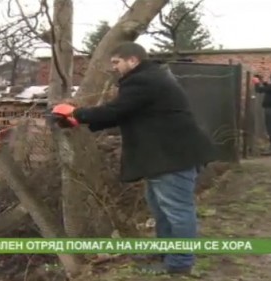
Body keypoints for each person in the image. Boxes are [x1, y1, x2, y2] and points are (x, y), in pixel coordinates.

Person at [51, 42, 217, 275]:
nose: (115, 68)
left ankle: (180, 263)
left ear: (133, 60)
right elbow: (125, 112)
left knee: (177, 211)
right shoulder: (151, 78)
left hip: (172, 156)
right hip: (165, 156)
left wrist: (75, 113)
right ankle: (168, 257)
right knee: (162, 211)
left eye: (117, 62)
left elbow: (117, 110)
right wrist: (78, 119)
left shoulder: (144, 81)